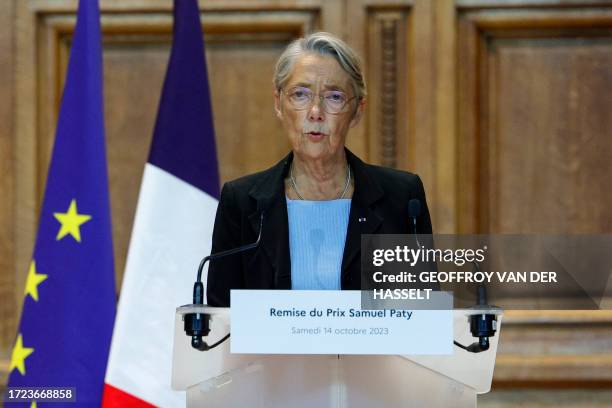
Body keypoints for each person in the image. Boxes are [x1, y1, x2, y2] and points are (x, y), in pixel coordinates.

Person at [206, 32, 432, 307]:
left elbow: (420, 312)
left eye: (334, 97)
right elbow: (221, 319)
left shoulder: (401, 198)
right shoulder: (241, 202)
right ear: (279, 103)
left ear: (358, 110)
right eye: (300, 94)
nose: (315, 111)